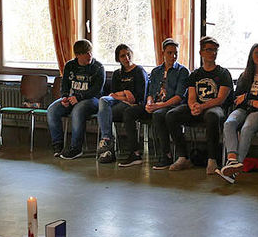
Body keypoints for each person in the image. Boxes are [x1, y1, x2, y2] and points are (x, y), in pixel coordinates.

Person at [164, 36, 232, 174]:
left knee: (212, 116)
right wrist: (193, 106)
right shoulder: (195, 74)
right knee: (171, 115)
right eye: (208, 50)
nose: (212, 53)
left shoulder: (223, 73)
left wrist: (202, 107)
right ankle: (183, 157)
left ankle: (212, 160)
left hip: (214, 108)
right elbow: (191, 97)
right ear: (201, 53)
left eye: (215, 50)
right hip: (197, 107)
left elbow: (220, 99)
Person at [120, 38, 188, 169]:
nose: (173, 56)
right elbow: (150, 92)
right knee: (129, 112)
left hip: (171, 106)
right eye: (169, 53)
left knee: (158, 114)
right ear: (163, 53)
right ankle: (135, 152)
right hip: (155, 104)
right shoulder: (156, 71)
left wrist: (158, 106)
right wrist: (149, 103)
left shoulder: (182, 71)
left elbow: (179, 97)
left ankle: (166, 155)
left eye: (175, 53)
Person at [218, 44, 258, 182]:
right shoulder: (244, 75)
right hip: (244, 109)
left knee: (247, 128)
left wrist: (246, 98)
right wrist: (251, 101)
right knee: (229, 123)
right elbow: (236, 98)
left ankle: (234, 170)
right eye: (257, 53)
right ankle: (233, 161)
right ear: (251, 56)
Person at [47, 39, 105, 160]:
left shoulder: (98, 68)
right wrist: (64, 97)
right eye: (85, 53)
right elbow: (65, 85)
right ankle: (58, 145)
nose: (89, 56)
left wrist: (79, 97)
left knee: (78, 111)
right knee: (52, 110)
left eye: (90, 52)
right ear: (78, 55)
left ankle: (76, 148)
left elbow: (96, 90)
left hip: (92, 100)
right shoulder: (70, 66)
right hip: (72, 98)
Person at [96, 44, 148, 164]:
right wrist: (126, 93)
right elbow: (113, 94)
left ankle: (108, 149)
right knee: (103, 101)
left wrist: (122, 95)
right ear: (118, 58)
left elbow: (136, 98)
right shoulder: (117, 74)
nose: (126, 58)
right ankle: (107, 139)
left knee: (105, 113)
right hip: (118, 102)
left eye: (128, 54)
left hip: (133, 106)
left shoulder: (139, 71)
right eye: (123, 56)